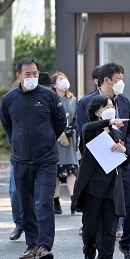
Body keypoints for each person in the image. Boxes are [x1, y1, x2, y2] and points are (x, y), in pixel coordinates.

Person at [0, 58, 67, 259]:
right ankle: (32, 245)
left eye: (35, 74)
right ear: (18, 75)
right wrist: (16, 142)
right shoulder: (9, 99)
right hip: (20, 160)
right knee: (26, 204)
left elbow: (60, 122)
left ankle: (45, 246)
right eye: (27, 74)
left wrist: (47, 141)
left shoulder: (49, 96)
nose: (32, 77)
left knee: (44, 202)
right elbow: (7, 123)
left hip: (46, 159)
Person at [76, 62, 130, 259]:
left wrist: (125, 149)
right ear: (106, 80)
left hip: (121, 165)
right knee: (97, 216)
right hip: (97, 168)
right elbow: (84, 133)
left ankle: (126, 245)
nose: (121, 82)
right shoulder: (86, 102)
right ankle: (99, 254)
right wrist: (105, 129)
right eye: (118, 78)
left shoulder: (124, 101)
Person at [73, 95, 128, 259]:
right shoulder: (90, 131)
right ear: (97, 111)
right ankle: (89, 254)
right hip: (92, 188)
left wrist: (124, 151)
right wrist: (107, 121)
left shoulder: (117, 134)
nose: (111, 108)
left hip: (112, 188)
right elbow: (86, 128)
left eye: (112, 105)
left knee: (110, 229)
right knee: (90, 228)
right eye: (106, 106)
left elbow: (124, 162)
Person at [51, 72, 80, 215]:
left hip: (70, 140)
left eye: (65, 78)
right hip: (55, 141)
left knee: (71, 171)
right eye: (60, 79)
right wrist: (60, 134)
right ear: (54, 84)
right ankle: (56, 203)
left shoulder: (73, 99)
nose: (64, 81)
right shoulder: (51, 99)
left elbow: (76, 119)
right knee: (56, 172)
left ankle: (74, 202)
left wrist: (67, 134)